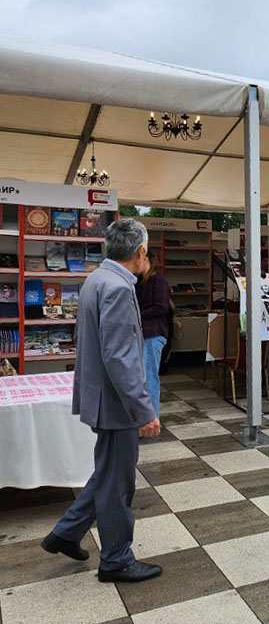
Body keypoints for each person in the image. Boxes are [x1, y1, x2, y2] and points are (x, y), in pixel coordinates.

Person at [41, 218, 162, 583]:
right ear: (140, 252)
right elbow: (120, 357)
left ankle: (66, 532)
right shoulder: (119, 288)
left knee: (108, 474)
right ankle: (116, 559)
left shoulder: (96, 279)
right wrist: (143, 410)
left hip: (102, 397)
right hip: (117, 404)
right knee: (118, 483)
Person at [136, 250, 171, 416]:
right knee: (145, 377)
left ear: (147, 261)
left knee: (149, 378)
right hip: (145, 334)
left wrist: (137, 315)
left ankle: (151, 418)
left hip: (153, 334)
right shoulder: (141, 281)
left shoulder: (158, 281)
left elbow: (161, 308)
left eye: (141, 259)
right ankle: (148, 417)